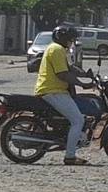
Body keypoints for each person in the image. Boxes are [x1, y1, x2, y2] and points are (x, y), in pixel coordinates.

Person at [34, 25, 97, 166]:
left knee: (75, 118)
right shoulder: (56, 49)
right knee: (78, 121)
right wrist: (82, 84)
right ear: (63, 38)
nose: (72, 42)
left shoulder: (60, 50)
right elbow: (62, 74)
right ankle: (70, 156)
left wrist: (85, 74)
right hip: (52, 91)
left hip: (57, 91)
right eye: (71, 39)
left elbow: (69, 68)